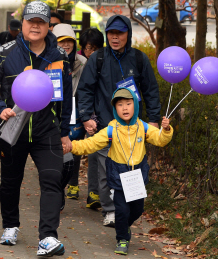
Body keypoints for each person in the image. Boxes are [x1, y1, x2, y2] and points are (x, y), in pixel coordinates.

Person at [0, 1, 72, 256]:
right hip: (13, 129)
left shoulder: (59, 57)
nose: (35, 26)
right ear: (22, 24)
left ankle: (48, 237)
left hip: (47, 131)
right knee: (11, 182)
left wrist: (64, 131)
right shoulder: (5, 52)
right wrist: (0, 108)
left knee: (53, 180)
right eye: (31, 21)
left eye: (41, 22)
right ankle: (10, 225)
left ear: (48, 26)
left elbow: (66, 97)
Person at [77, 15, 161, 228]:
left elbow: (151, 91)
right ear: (107, 35)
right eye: (111, 33)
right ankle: (110, 210)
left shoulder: (139, 59)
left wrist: (154, 120)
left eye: (120, 33)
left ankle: (128, 208)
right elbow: (85, 89)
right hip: (105, 125)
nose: (115, 38)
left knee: (132, 169)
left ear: (127, 35)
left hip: (133, 128)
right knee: (107, 170)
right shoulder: (98, 59)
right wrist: (86, 117)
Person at [71, 88, 172, 256]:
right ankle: (122, 239)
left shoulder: (143, 127)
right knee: (121, 210)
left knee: (137, 209)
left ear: (135, 106)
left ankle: (124, 226)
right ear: (115, 109)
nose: (125, 108)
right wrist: (72, 146)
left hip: (137, 177)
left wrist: (166, 130)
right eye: (120, 105)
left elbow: (160, 140)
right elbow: (91, 144)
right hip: (118, 177)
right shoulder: (111, 130)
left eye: (128, 104)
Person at [52, 23, 88, 201]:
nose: (66, 45)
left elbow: (87, 87)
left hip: (76, 109)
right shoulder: (49, 61)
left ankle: (73, 183)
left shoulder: (82, 63)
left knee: (74, 148)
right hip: (54, 110)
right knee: (56, 151)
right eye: (61, 41)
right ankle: (56, 187)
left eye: (69, 41)